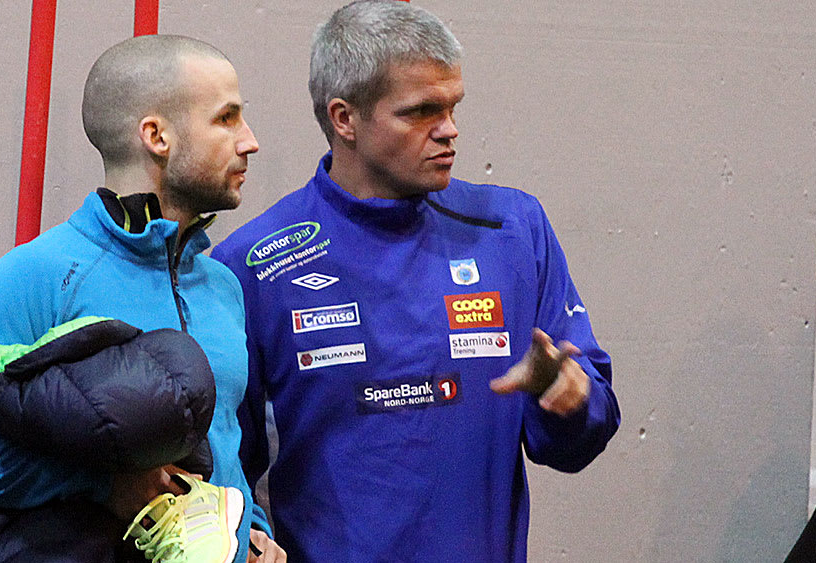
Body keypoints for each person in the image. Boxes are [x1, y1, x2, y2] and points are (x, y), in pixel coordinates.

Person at [210, 2, 621, 561]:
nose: (449, 130)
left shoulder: (512, 231)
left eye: (452, 107)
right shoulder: (253, 265)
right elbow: (225, 478)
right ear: (344, 119)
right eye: (422, 111)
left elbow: (581, 437)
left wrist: (567, 395)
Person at [0, 34, 284, 562]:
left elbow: (220, 441)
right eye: (227, 118)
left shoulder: (221, 286)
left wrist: (250, 530)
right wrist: (101, 485)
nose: (250, 141)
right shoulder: (35, 276)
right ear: (156, 136)